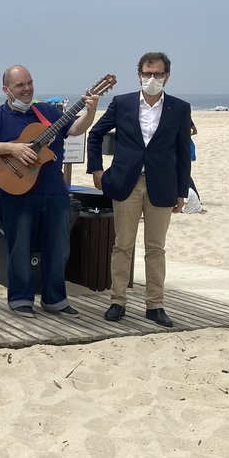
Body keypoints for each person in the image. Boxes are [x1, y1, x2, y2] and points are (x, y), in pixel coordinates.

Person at [0, 65, 99, 316]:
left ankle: (55, 300)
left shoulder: (48, 112)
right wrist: (13, 149)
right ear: (6, 89)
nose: (27, 88)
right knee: (20, 245)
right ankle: (20, 298)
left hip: (53, 190)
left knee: (58, 245)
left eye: (29, 82)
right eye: (20, 85)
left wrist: (91, 110)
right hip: (14, 191)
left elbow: (75, 129)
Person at [87, 52, 192, 328]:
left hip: (162, 185)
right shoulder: (122, 103)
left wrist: (182, 192)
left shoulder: (180, 108)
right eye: (147, 74)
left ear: (167, 76)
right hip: (126, 183)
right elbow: (96, 135)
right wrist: (96, 169)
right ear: (139, 75)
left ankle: (155, 305)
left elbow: (183, 154)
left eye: (157, 74)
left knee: (156, 247)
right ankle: (117, 301)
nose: (152, 79)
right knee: (123, 245)